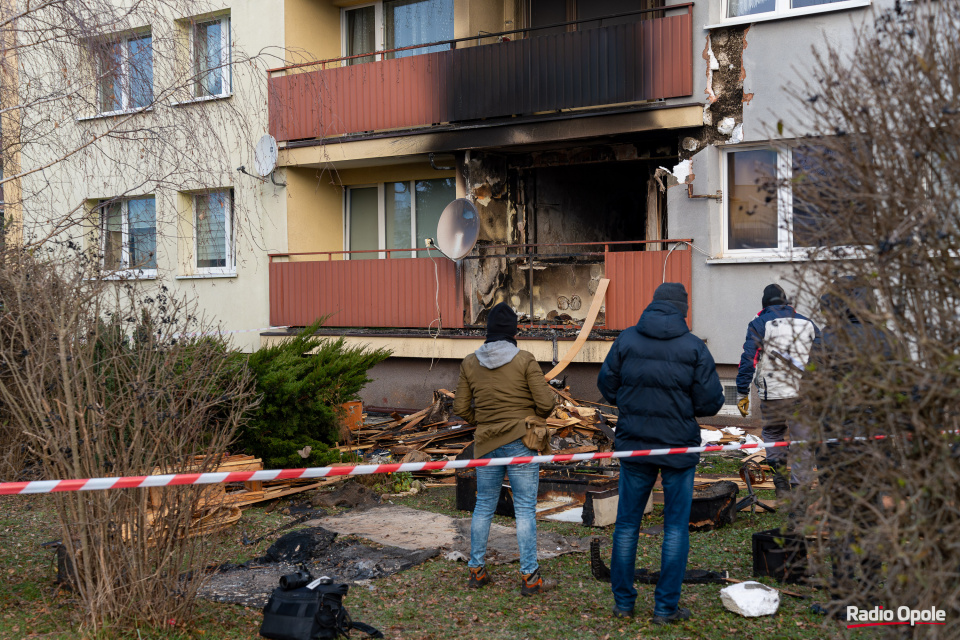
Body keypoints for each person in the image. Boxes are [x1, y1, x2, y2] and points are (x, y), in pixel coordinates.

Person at [597, 283, 724, 625]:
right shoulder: (694, 347)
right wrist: (682, 408)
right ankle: (665, 608)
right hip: (678, 447)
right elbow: (711, 402)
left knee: (626, 525)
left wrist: (631, 403)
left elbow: (606, 386)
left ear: (652, 304)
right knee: (675, 529)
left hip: (634, 445)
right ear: (683, 309)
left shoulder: (626, 340)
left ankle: (623, 605)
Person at [452, 302, 557, 596]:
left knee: (484, 505)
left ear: (487, 333)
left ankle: (476, 570)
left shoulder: (469, 363)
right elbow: (547, 405)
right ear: (514, 332)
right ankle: (530, 578)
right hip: (521, 442)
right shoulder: (525, 360)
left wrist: (483, 421)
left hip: (485, 444)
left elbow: (460, 407)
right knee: (524, 508)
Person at [735, 283, 820, 497]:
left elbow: (748, 359)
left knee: (774, 434)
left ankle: (781, 484)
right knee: (802, 440)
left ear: (765, 303)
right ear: (786, 302)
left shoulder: (759, 323)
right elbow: (822, 358)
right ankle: (800, 490)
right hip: (803, 393)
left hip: (772, 394)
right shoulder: (808, 323)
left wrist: (742, 392)